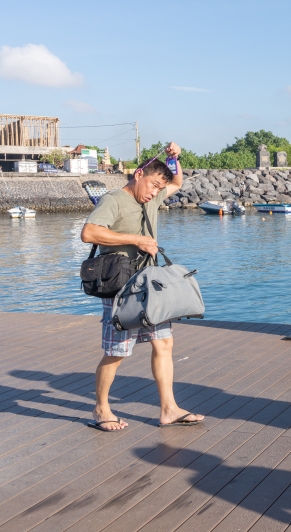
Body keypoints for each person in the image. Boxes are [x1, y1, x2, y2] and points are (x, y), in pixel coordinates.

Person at [81, 142, 204, 431]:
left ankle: (169, 409)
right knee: (117, 351)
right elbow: (89, 233)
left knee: (164, 343)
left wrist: (175, 159)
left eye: (159, 189)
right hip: (122, 289)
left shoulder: (153, 198)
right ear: (138, 174)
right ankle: (101, 409)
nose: (155, 192)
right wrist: (137, 240)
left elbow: (177, 181)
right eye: (152, 185)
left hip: (150, 287)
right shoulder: (113, 199)